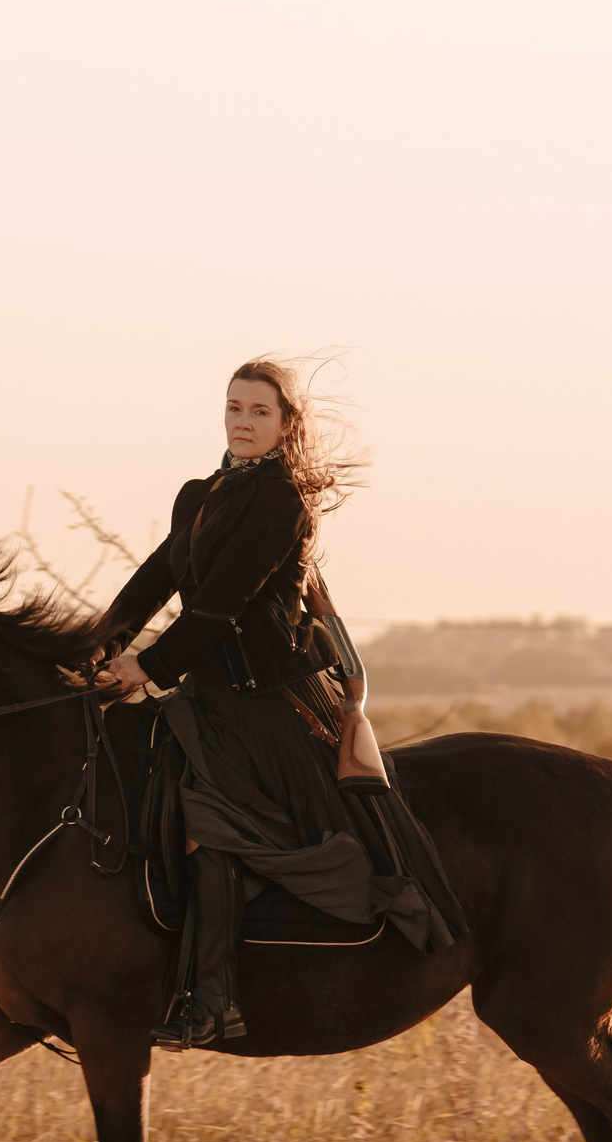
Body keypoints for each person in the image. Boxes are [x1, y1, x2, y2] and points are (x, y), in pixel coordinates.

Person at [92, 358, 465, 1048]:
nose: (242, 421)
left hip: (270, 706)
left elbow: (217, 609)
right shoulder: (198, 494)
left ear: (288, 424)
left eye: (260, 411)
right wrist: (96, 639)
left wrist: (145, 665)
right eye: (234, 407)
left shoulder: (283, 498)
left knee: (214, 825)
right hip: (207, 698)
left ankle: (214, 999)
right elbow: (156, 578)